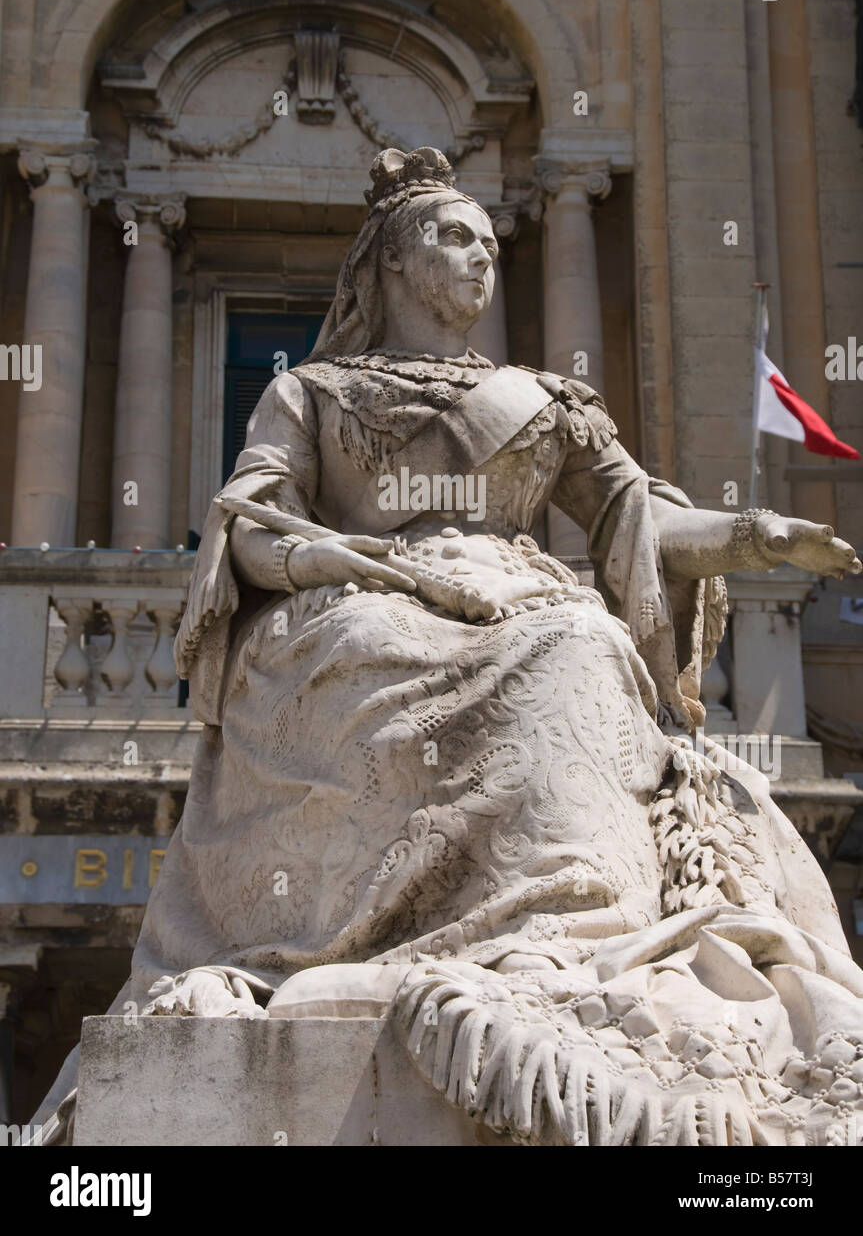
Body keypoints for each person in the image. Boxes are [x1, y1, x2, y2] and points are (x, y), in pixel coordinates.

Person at [38, 147, 863, 1146]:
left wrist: (750, 535)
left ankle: (563, 929)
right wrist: (336, 563)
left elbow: (630, 521)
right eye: (454, 237)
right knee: (374, 631)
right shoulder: (310, 392)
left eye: (486, 239)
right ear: (392, 258)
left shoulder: (547, 402)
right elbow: (252, 527)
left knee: (578, 641)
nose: (479, 255)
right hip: (355, 606)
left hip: (519, 599)